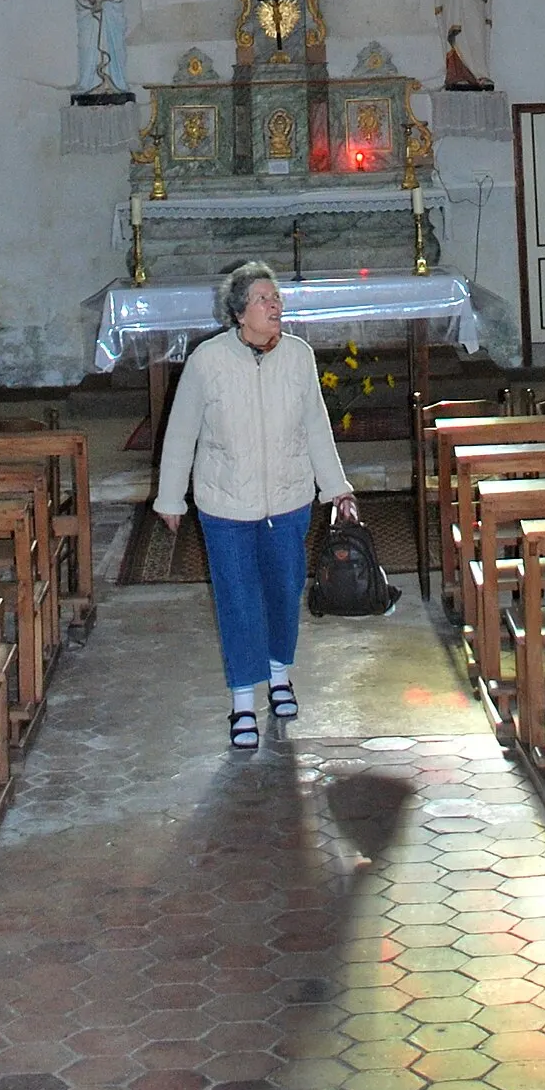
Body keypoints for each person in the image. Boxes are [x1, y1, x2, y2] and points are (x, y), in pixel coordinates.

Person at [154, 261, 360, 752]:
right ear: (240, 312)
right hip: (225, 503)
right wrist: (169, 495)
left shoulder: (299, 356)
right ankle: (243, 701)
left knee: (284, 591)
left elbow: (316, 425)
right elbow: (181, 431)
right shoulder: (207, 361)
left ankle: (279, 674)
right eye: (264, 299)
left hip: (288, 498)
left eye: (277, 298)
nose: (275, 306)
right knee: (238, 601)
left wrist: (337, 488)